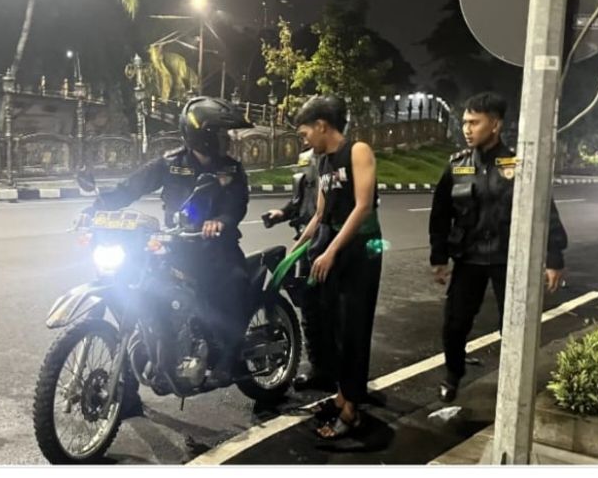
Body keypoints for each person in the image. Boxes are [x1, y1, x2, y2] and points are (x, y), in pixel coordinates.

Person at [88, 96, 253, 385]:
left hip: (218, 247)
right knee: (143, 285)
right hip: (177, 245)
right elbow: (131, 187)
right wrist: (97, 206)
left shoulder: (230, 168)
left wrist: (221, 221)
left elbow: (237, 202)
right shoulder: (170, 163)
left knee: (235, 284)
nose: (226, 139)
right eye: (219, 133)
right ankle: (158, 354)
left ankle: (229, 357)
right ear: (202, 135)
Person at [428, 92, 569, 403]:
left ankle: (514, 384)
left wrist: (554, 256)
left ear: (495, 124)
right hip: (469, 259)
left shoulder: (518, 165)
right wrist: (439, 257)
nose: (467, 129)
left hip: (510, 260)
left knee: (515, 327)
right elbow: (440, 214)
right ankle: (452, 375)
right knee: (454, 324)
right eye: (465, 122)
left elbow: (543, 209)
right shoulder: (458, 166)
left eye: (474, 123)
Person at [292, 96, 383, 439]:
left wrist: (330, 251)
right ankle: (342, 395)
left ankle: (351, 410)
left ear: (321, 125)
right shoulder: (324, 162)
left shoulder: (357, 151)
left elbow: (362, 207)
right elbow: (320, 213)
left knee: (354, 330)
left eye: (305, 133)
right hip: (335, 248)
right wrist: (298, 248)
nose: (305, 141)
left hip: (361, 250)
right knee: (334, 326)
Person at [263, 148, 333, 392]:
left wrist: (302, 244)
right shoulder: (308, 159)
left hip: (326, 243)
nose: (303, 137)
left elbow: (326, 211)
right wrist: (282, 213)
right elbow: (300, 201)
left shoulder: (335, 160)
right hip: (308, 244)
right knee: (310, 310)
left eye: (306, 131)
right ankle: (320, 369)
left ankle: (339, 371)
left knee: (330, 310)